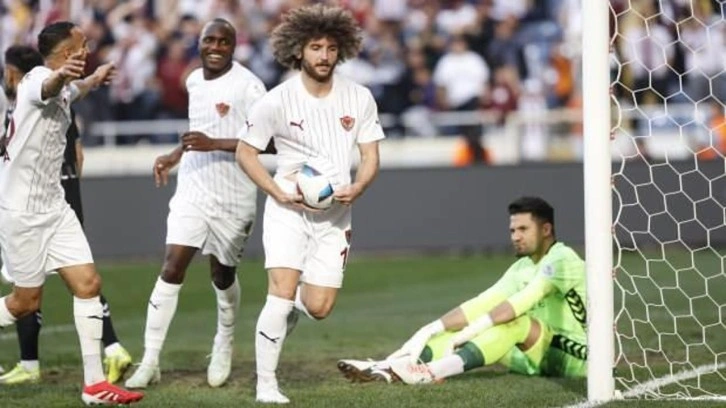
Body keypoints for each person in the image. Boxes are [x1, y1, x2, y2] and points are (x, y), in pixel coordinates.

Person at [236, 4, 384, 404]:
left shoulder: (359, 97)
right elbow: (245, 152)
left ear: (341, 51)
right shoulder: (276, 100)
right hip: (288, 209)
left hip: (335, 216)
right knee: (280, 292)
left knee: (319, 307)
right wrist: (276, 191)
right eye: (316, 47)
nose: (324, 56)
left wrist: (359, 185)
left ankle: (287, 311)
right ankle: (266, 385)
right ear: (298, 49)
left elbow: (371, 156)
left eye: (331, 48)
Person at [0, 21, 143, 405]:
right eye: (83, 45)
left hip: (55, 207)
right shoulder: (37, 80)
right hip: (22, 212)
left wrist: (94, 78)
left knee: (88, 285)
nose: (88, 49)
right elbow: (49, 87)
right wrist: (61, 75)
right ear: (66, 53)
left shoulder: (63, 87)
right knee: (24, 303)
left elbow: (73, 90)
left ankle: (94, 385)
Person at [124, 18, 267, 389]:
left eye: (224, 41)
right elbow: (198, 131)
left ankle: (224, 341)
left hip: (234, 194)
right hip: (194, 186)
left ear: (234, 46)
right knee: (172, 266)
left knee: (222, 275)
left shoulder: (249, 86)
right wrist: (176, 154)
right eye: (209, 40)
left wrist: (215, 144)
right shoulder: (193, 81)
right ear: (199, 43)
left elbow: (271, 140)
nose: (215, 47)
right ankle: (149, 360)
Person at [337, 197, 587, 384]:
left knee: (514, 322)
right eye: (512, 230)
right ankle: (388, 367)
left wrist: (473, 330)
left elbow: (524, 300)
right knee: (460, 329)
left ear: (546, 230)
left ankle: (429, 373)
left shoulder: (562, 259)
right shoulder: (522, 267)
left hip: (578, 359)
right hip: (534, 358)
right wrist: (431, 328)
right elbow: (483, 303)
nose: (515, 237)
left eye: (523, 229)